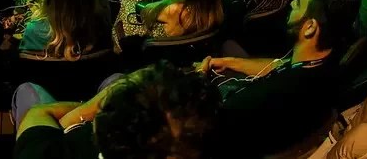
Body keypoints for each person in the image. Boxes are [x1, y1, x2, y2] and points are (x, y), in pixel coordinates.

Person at [198, 0, 361, 156]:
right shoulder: (325, 63)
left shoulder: (263, 98)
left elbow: (208, 126)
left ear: (310, 28)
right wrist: (231, 62)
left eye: (299, 2)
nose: (292, 4)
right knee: (229, 46)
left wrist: (200, 79)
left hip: (222, 137)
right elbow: (281, 65)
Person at [13, 62, 220, 159]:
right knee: (115, 78)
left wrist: (92, 106)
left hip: (69, 127)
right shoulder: (221, 139)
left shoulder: (45, 153)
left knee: (26, 89)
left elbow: (37, 113)